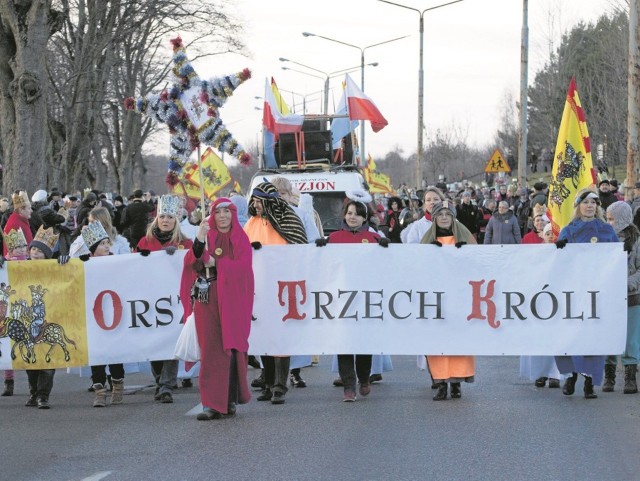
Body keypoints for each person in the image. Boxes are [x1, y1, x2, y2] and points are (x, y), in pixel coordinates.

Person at [180, 197, 254, 420]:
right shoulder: (206, 235)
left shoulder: (241, 238)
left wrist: (218, 264)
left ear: (233, 214)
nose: (222, 216)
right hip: (207, 298)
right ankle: (211, 403)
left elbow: (244, 270)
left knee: (231, 347)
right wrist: (200, 240)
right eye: (217, 212)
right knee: (211, 348)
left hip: (232, 300)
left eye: (226, 212)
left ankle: (229, 399)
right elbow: (191, 263)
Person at [319, 193, 389, 402]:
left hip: (366, 300)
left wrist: (387, 247)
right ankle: (349, 386)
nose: (352, 218)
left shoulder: (374, 238)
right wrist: (318, 249)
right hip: (341, 300)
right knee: (344, 343)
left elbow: (387, 267)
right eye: (349, 214)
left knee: (362, 343)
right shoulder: (334, 238)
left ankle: (364, 379)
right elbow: (324, 266)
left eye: (357, 215)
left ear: (364, 218)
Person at [244, 181, 307, 405]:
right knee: (263, 336)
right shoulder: (251, 222)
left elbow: (299, 246)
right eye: (254, 200)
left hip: (282, 286)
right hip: (259, 286)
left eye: (260, 200)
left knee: (281, 337)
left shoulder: (286, 218)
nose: (256, 204)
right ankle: (269, 383)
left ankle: (280, 385)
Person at [555, 188, 618, 399]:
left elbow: (616, 259)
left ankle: (590, 381)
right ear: (578, 205)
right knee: (572, 335)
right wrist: (559, 249)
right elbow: (557, 262)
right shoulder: (569, 230)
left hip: (597, 292)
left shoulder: (606, 231)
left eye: (594, 202)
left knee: (593, 337)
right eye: (586, 202)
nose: (590, 206)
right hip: (574, 291)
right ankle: (571, 375)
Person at [137, 194, 193, 403]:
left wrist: (178, 256)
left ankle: (167, 385)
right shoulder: (145, 241)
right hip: (150, 301)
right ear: (157, 219)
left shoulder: (184, 242)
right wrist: (140, 258)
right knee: (155, 342)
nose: (166, 220)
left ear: (175, 220)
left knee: (171, 341)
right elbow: (132, 270)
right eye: (163, 217)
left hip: (174, 301)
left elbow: (194, 261)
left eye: (170, 217)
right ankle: (160, 379)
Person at [421, 200, 476, 400]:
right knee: (437, 342)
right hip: (435, 299)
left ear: (453, 217)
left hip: (460, 298)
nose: (444, 217)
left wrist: (466, 253)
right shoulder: (427, 241)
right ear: (434, 218)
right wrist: (429, 254)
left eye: (447, 214)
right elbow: (417, 267)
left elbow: (478, 265)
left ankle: (456, 383)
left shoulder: (466, 239)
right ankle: (441, 382)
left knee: (459, 342)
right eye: (440, 214)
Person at [78, 221, 126, 407]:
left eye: (107, 243)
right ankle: (99, 391)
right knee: (97, 355)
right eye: (102, 244)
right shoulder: (84, 263)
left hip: (114, 314)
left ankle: (118, 386)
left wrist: (143, 258)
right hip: (93, 316)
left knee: (115, 354)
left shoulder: (118, 261)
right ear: (93, 248)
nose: (107, 246)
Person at [25, 226, 70, 409]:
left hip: (50, 317)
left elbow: (70, 274)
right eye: (33, 249)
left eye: (39, 251)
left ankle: (43, 395)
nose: (35, 253)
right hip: (29, 320)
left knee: (47, 361)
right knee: (30, 359)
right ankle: (34, 392)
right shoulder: (20, 267)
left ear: (47, 254)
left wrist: (65, 261)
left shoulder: (54, 267)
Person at [603, 201, 640, 394]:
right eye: (607, 219)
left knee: (631, 338)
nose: (608, 223)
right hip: (609, 297)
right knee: (609, 336)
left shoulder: (636, 241)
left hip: (632, 296)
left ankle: (630, 376)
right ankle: (609, 375)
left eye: (612, 219)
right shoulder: (603, 240)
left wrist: (628, 282)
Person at [0, 226, 30, 397]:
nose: (20, 250)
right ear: (10, 249)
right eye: (16, 247)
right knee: (7, 345)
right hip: (8, 309)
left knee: (27, 344)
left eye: (22, 247)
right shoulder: (5, 262)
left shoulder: (32, 263)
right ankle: (9, 381)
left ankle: (33, 382)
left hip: (25, 308)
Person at [3, 191, 33, 256]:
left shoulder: (21, 220)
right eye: (29, 208)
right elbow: (14, 250)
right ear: (21, 210)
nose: (31, 211)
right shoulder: (15, 223)